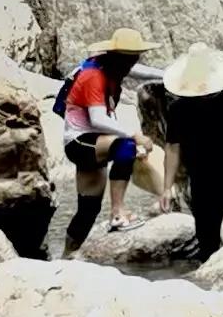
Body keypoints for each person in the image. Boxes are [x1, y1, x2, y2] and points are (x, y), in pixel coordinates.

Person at [158, 43, 223, 259]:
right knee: (207, 244)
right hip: (203, 183)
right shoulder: (178, 108)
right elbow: (172, 148)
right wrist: (167, 188)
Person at [57, 28, 152, 255]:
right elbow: (97, 119)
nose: (135, 62)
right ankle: (118, 214)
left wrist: (166, 75)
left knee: (88, 210)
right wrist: (134, 134)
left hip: (93, 143)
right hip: (80, 143)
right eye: (132, 57)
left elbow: (135, 71)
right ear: (121, 58)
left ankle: (65, 257)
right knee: (126, 147)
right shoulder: (93, 76)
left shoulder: (108, 65)